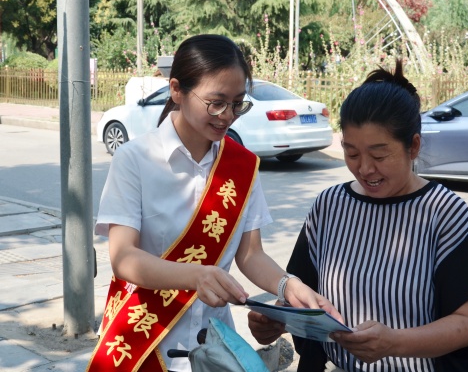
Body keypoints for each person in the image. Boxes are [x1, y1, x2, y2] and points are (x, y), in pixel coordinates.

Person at [87, 34, 339, 372]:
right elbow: (123, 258)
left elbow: (250, 255)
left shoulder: (242, 166)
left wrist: (288, 284)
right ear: (176, 89)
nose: (227, 115)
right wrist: (195, 276)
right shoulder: (136, 159)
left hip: (215, 347)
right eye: (216, 102)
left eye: (237, 103)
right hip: (146, 341)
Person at [248, 60, 468, 371]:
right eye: (352, 153)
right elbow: (304, 301)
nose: (365, 169)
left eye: (379, 155)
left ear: (414, 146)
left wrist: (393, 342)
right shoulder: (329, 207)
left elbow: (466, 324)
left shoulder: (444, 214)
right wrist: (277, 319)